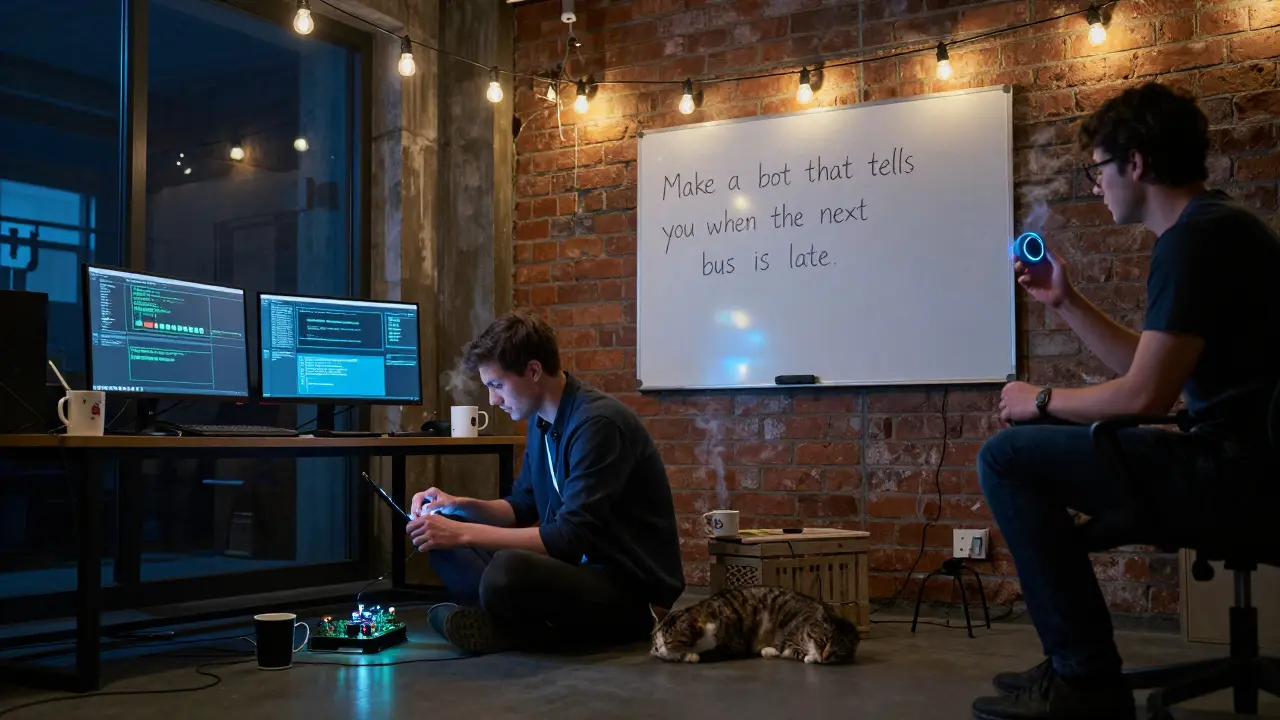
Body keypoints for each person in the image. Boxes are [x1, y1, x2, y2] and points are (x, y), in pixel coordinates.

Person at [971, 82, 1280, 719]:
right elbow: (1152, 370)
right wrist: (1065, 301)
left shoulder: (1194, 241)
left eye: (1100, 169)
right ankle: (1071, 658)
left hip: (1236, 475)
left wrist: (1041, 399)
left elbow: (1145, 395)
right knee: (1025, 455)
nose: (1096, 185)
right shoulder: (1218, 226)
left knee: (1008, 457)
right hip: (1250, 463)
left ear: (1134, 164)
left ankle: (1084, 678)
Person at [405, 310, 686, 655]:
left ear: (534, 371)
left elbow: (569, 538)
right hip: (576, 574)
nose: (493, 400)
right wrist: (458, 508)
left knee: (506, 567)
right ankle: (509, 624)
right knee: (442, 537)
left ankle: (512, 628)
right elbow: (521, 506)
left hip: (631, 593)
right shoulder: (543, 420)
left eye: (497, 385)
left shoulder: (598, 424)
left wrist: (462, 533)